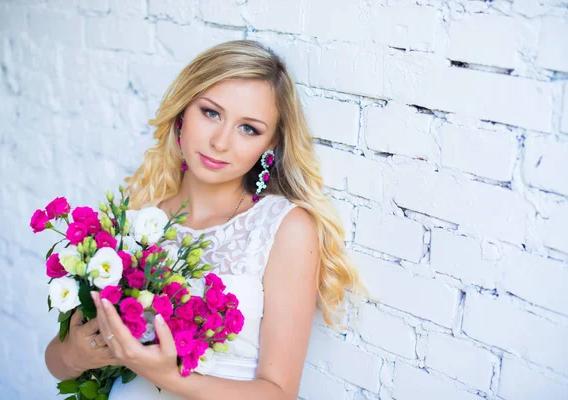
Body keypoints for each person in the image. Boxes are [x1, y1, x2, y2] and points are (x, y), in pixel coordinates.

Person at [45, 39, 366, 399]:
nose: (220, 142)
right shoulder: (136, 220)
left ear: (270, 143)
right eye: (211, 112)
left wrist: (169, 376)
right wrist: (76, 353)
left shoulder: (284, 229)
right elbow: (57, 362)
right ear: (183, 110)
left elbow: (280, 393)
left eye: (249, 129)